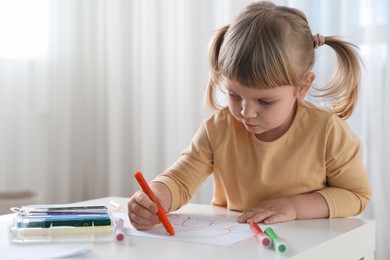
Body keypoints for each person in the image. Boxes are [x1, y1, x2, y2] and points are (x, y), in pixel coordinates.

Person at [128, 1, 371, 230]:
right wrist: (157, 197)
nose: (245, 112)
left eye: (265, 101)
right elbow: (180, 180)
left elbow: (356, 195)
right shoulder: (218, 128)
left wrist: (294, 207)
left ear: (302, 87)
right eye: (234, 95)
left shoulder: (327, 130)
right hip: (239, 243)